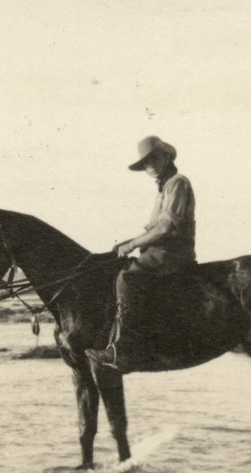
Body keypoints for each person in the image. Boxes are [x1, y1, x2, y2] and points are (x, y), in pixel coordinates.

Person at [85, 136, 196, 371]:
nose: (150, 166)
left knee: (127, 279)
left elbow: (166, 228)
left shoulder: (178, 183)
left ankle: (122, 350)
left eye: (154, 159)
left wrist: (134, 243)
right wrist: (128, 242)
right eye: (145, 163)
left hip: (172, 254)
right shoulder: (163, 189)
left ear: (166, 157)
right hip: (159, 252)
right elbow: (156, 228)